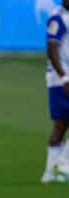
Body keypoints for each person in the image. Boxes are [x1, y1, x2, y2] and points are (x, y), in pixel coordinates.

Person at [42, 0, 69, 183]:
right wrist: (64, 77)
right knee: (61, 124)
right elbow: (51, 49)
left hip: (63, 78)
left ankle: (51, 172)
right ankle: (62, 165)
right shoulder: (58, 17)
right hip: (61, 79)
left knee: (61, 124)